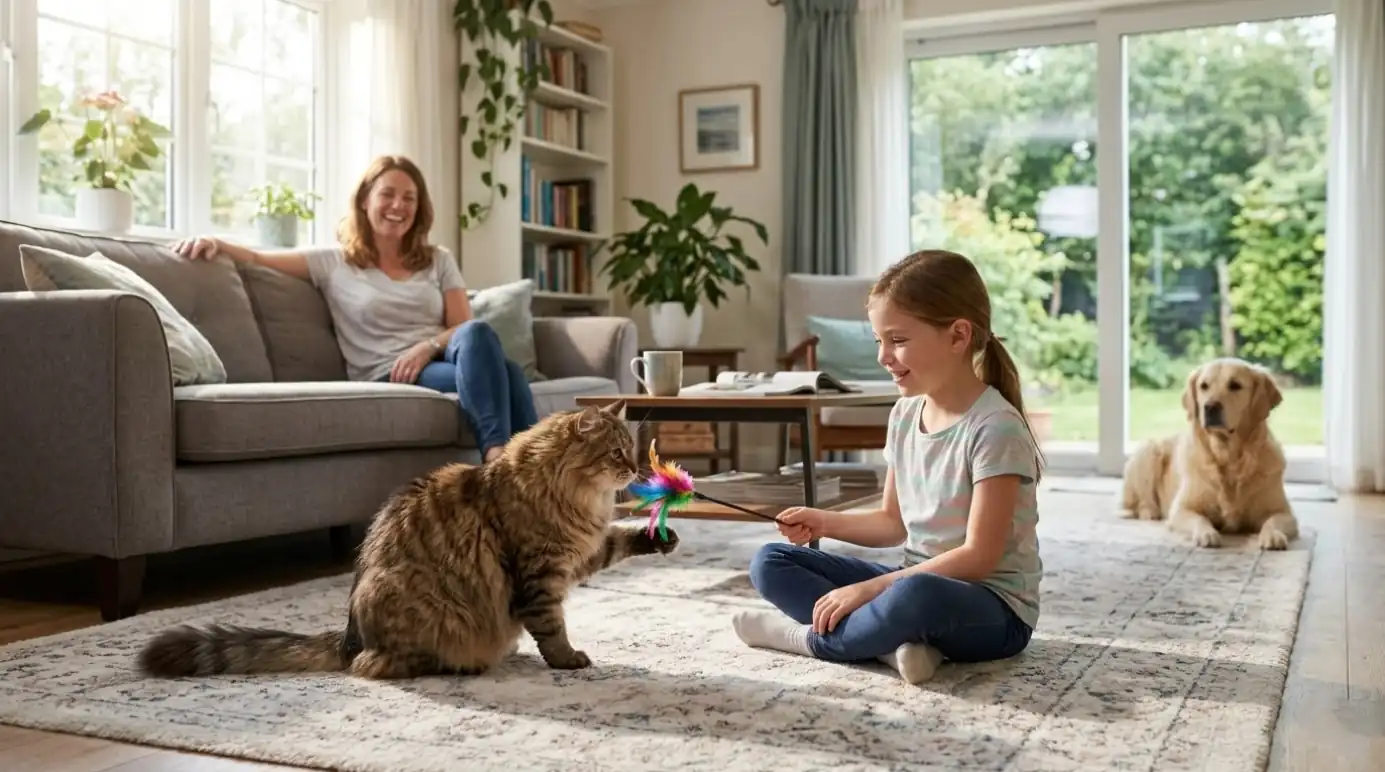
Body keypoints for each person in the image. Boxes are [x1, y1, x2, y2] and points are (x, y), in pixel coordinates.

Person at [730, 249, 1044, 684]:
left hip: (993, 608)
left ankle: (807, 639)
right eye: (879, 341)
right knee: (771, 561)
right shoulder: (903, 414)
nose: (883, 356)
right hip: (912, 579)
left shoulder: (996, 429)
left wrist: (874, 588)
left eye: (897, 340)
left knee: (913, 595)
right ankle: (893, 646)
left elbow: (978, 558)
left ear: (957, 336)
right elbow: (891, 523)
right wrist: (821, 522)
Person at [172, 155, 537, 463]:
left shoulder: (438, 259)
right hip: (386, 372)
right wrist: (215, 240)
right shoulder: (334, 262)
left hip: (439, 359)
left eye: (409, 198)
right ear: (365, 200)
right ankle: (508, 464)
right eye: (388, 195)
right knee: (507, 374)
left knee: (480, 336)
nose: (399, 206)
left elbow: (461, 327)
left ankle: (515, 467)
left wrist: (425, 348)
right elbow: (256, 257)